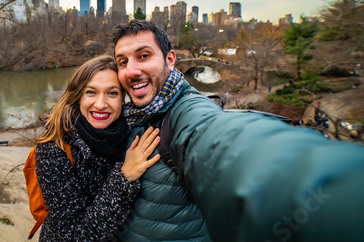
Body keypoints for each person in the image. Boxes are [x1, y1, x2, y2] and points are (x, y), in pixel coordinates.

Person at [112, 20, 364, 242]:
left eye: (144, 56)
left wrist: (326, 189)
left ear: (170, 59)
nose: (131, 70)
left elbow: (222, 141)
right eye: (123, 62)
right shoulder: (130, 115)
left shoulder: (185, 112)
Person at [34, 55, 161, 241]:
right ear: (78, 95)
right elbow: (74, 236)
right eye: (91, 92)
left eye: (112, 93)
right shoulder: (54, 146)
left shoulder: (131, 132)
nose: (101, 104)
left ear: (123, 97)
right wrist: (124, 177)